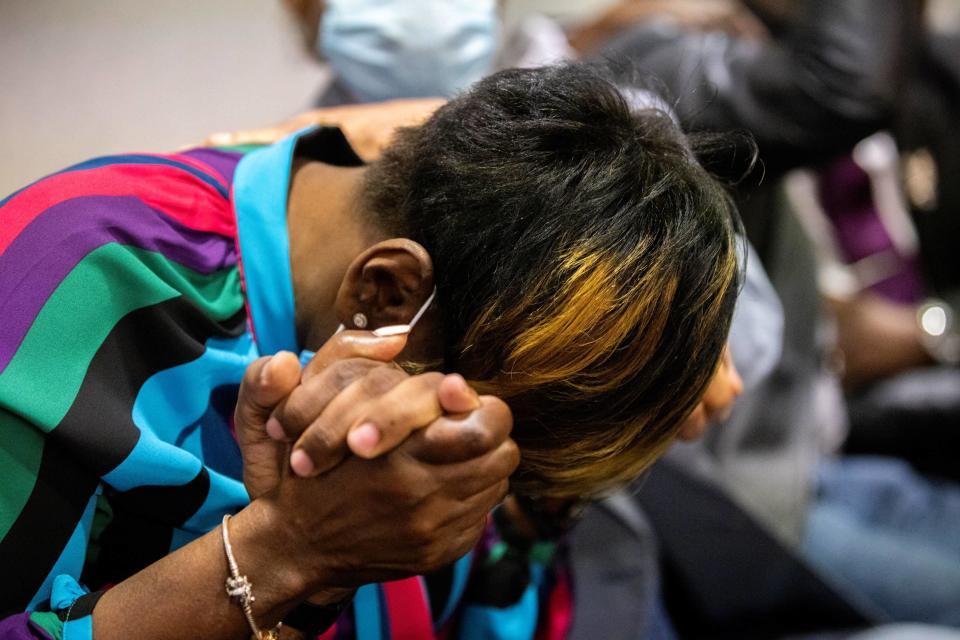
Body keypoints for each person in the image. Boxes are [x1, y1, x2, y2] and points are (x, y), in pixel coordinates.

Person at [0, 63, 743, 639]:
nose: (483, 493)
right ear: (386, 297)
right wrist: (288, 549)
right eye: (507, 446)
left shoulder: (416, 209)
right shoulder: (67, 308)